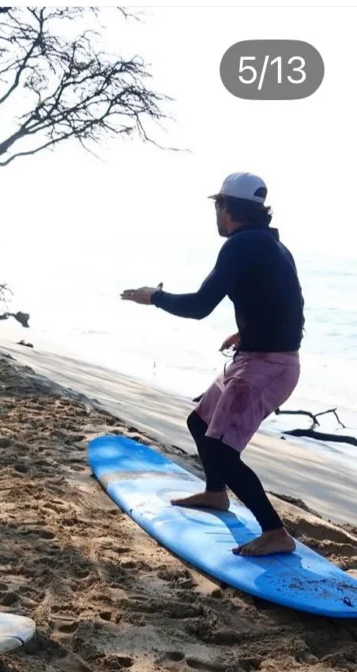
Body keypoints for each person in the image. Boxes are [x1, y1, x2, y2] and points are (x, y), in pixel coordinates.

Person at [121, 172, 304, 557]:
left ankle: (275, 531)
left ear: (226, 208)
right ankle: (216, 493)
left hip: (268, 366)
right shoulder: (270, 244)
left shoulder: (242, 245)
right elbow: (289, 302)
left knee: (222, 450)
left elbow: (201, 306)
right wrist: (249, 332)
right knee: (199, 423)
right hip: (258, 355)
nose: (216, 215)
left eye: (217, 207)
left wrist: (154, 297)